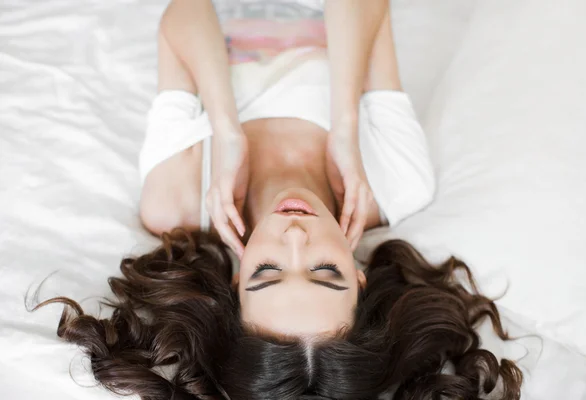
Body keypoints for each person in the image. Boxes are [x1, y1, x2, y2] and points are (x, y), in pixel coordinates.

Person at [36, 0, 523, 399]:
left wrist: (227, 131)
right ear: (359, 276)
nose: (295, 237)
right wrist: (346, 129)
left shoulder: (177, 201)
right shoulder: (395, 181)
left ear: (236, 279)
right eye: (325, 272)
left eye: (267, 272)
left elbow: (183, 13)